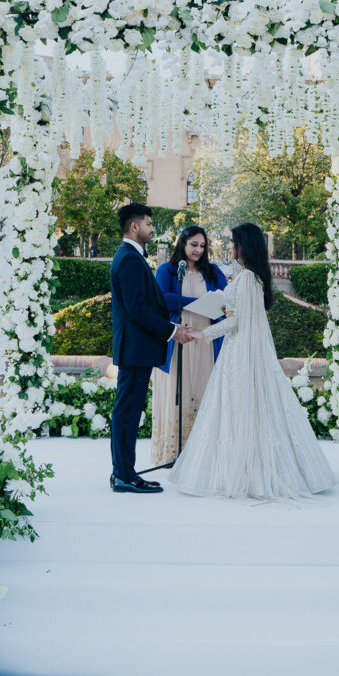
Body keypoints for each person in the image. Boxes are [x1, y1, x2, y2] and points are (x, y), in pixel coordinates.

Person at [168, 222, 334, 500]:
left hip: (238, 351)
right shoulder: (254, 277)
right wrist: (227, 308)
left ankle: (243, 472)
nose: (230, 246)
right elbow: (242, 314)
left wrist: (201, 333)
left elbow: (236, 323)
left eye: (233, 242)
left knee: (235, 408)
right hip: (248, 350)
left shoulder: (245, 278)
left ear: (244, 245)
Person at [109, 203, 193, 494]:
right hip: (135, 348)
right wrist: (173, 331)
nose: (151, 228)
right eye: (147, 223)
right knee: (128, 412)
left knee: (128, 411)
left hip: (135, 347)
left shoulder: (130, 257)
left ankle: (122, 470)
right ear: (135, 227)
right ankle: (124, 475)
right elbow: (137, 309)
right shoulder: (130, 260)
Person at [150, 227, 229, 465]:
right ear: (182, 243)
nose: (198, 250)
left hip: (205, 340)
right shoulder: (168, 270)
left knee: (205, 389)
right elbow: (163, 298)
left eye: (202, 246)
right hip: (177, 339)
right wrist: (200, 302)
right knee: (177, 390)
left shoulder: (213, 272)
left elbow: (226, 299)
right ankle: (174, 453)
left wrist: (194, 303)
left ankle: (202, 456)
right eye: (194, 244)